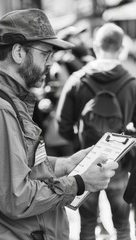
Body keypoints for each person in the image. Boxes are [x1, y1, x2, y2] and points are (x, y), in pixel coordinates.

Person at [0, 9, 118, 240]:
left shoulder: (4, 101)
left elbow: (19, 166)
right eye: (45, 54)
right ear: (19, 52)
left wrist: (67, 163)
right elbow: (16, 197)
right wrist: (80, 182)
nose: (51, 63)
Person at [56, 22, 136, 240]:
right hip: (119, 164)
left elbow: (62, 124)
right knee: (123, 227)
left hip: (86, 163)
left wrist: (79, 148)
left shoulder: (77, 81)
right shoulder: (132, 83)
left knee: (87, 226)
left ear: (95, 47)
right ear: (121, 49)